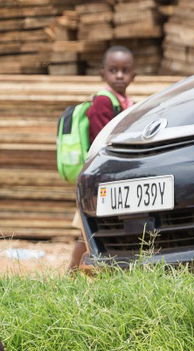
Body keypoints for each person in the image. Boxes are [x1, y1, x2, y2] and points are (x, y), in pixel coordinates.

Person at [69, 45, 135, 272]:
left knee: (97, 226)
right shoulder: (103, 102)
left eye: (125, 70)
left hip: (114, 173)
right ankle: (71, 271)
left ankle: (96, 270)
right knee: (86, 228)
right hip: (99, 175)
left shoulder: (127, 102)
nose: (119, 75)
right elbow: (101, 138)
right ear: (102, 73)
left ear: (134, 74)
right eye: (113, 70)